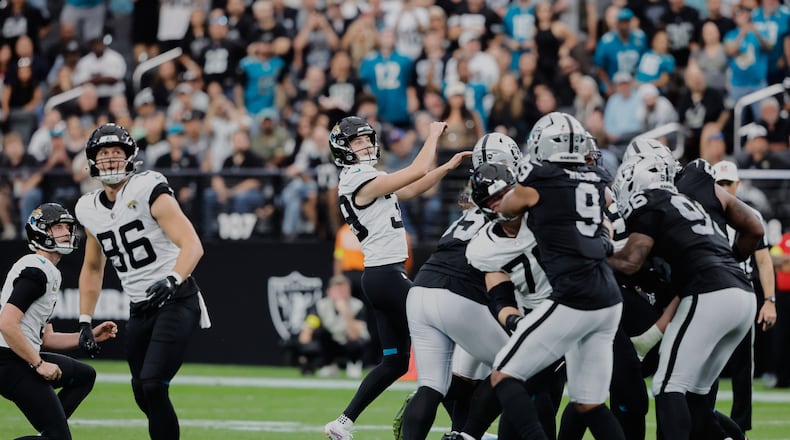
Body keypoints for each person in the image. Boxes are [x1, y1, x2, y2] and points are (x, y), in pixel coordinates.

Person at [324, 116, 469, 440]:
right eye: (357, 141)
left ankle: (342, 423)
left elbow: (413, 187)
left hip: (380, 277)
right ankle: (463, 430)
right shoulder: (358, 177)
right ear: (343, 149)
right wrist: (432, 135)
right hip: (387, 276)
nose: (365, 145)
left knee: (395, 363)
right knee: (443, 342)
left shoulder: (365, 177)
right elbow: (416, 170)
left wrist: (446, 167)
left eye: (367, 139)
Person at [608, 154, 762, 439]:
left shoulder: (648, 201)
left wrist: (593, 256)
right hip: (743, 293)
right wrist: (727, 262)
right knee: (696, 399)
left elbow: (631, 262)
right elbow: (756, 227)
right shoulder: (691, 202)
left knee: (668, 386)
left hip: (709, 292)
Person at [74, 123, 211, 440]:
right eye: (103, 153)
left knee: (152, 383)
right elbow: (93, 267)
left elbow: (192, 244)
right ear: (93, 160)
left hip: (176, 298)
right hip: (139, 308)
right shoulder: (88, 208)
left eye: (116, 152)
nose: (110, 158)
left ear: (130, 157)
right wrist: (84, 320)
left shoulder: (147, 187)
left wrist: (173, 279)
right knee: (141, 389)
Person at [493, 112, 625, 439]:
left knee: (504, 375)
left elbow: (507, 207)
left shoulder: (539, 177)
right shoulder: (596, 177)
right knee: (589, 403)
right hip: (609, 298)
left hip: (574, 295)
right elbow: (604, 220)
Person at [399, 135, 523, 440]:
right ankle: (466, 435)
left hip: (422, 287)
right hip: (459, 294)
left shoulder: (472, 204)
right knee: (517, 364)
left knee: (432, 385)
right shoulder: (509, 205)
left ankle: (458, 432)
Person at [0, 203, 117, 440]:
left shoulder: (48, 270)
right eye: (58, 227)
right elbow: (6, 323)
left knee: (84, 376)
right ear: (39, 232)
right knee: (58, 438)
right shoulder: (37, 271)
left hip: (18, 356)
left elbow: (47, 338)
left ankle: (50, 432)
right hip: (9, 360)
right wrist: (38, 364)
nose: (66, 232)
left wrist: (88, 336)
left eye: (67, 227)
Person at [713, 160, 777, 432]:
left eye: (728, 183)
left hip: (742, 291)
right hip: (711, 293)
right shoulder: (703, 211)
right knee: (705, 364)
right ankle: (704, 421)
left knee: (742, 367)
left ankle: (740, 429)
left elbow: (764, 261)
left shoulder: (750, 215)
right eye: (720, 183)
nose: (725, 188)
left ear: (737, 184)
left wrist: (769, 301)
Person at [298, 275, 370, 378]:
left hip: (349, 342)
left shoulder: (358, 305)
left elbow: (355, 335)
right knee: (320, 335)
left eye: (344, 290)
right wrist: (305, 352)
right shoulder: (320, 305)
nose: (341, 293)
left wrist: (345, 312)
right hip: (330, 344)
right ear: (329, 292)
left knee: (357, 342)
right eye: (337, 290)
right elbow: (306, 332)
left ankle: (354, 364)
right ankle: (328, 364)